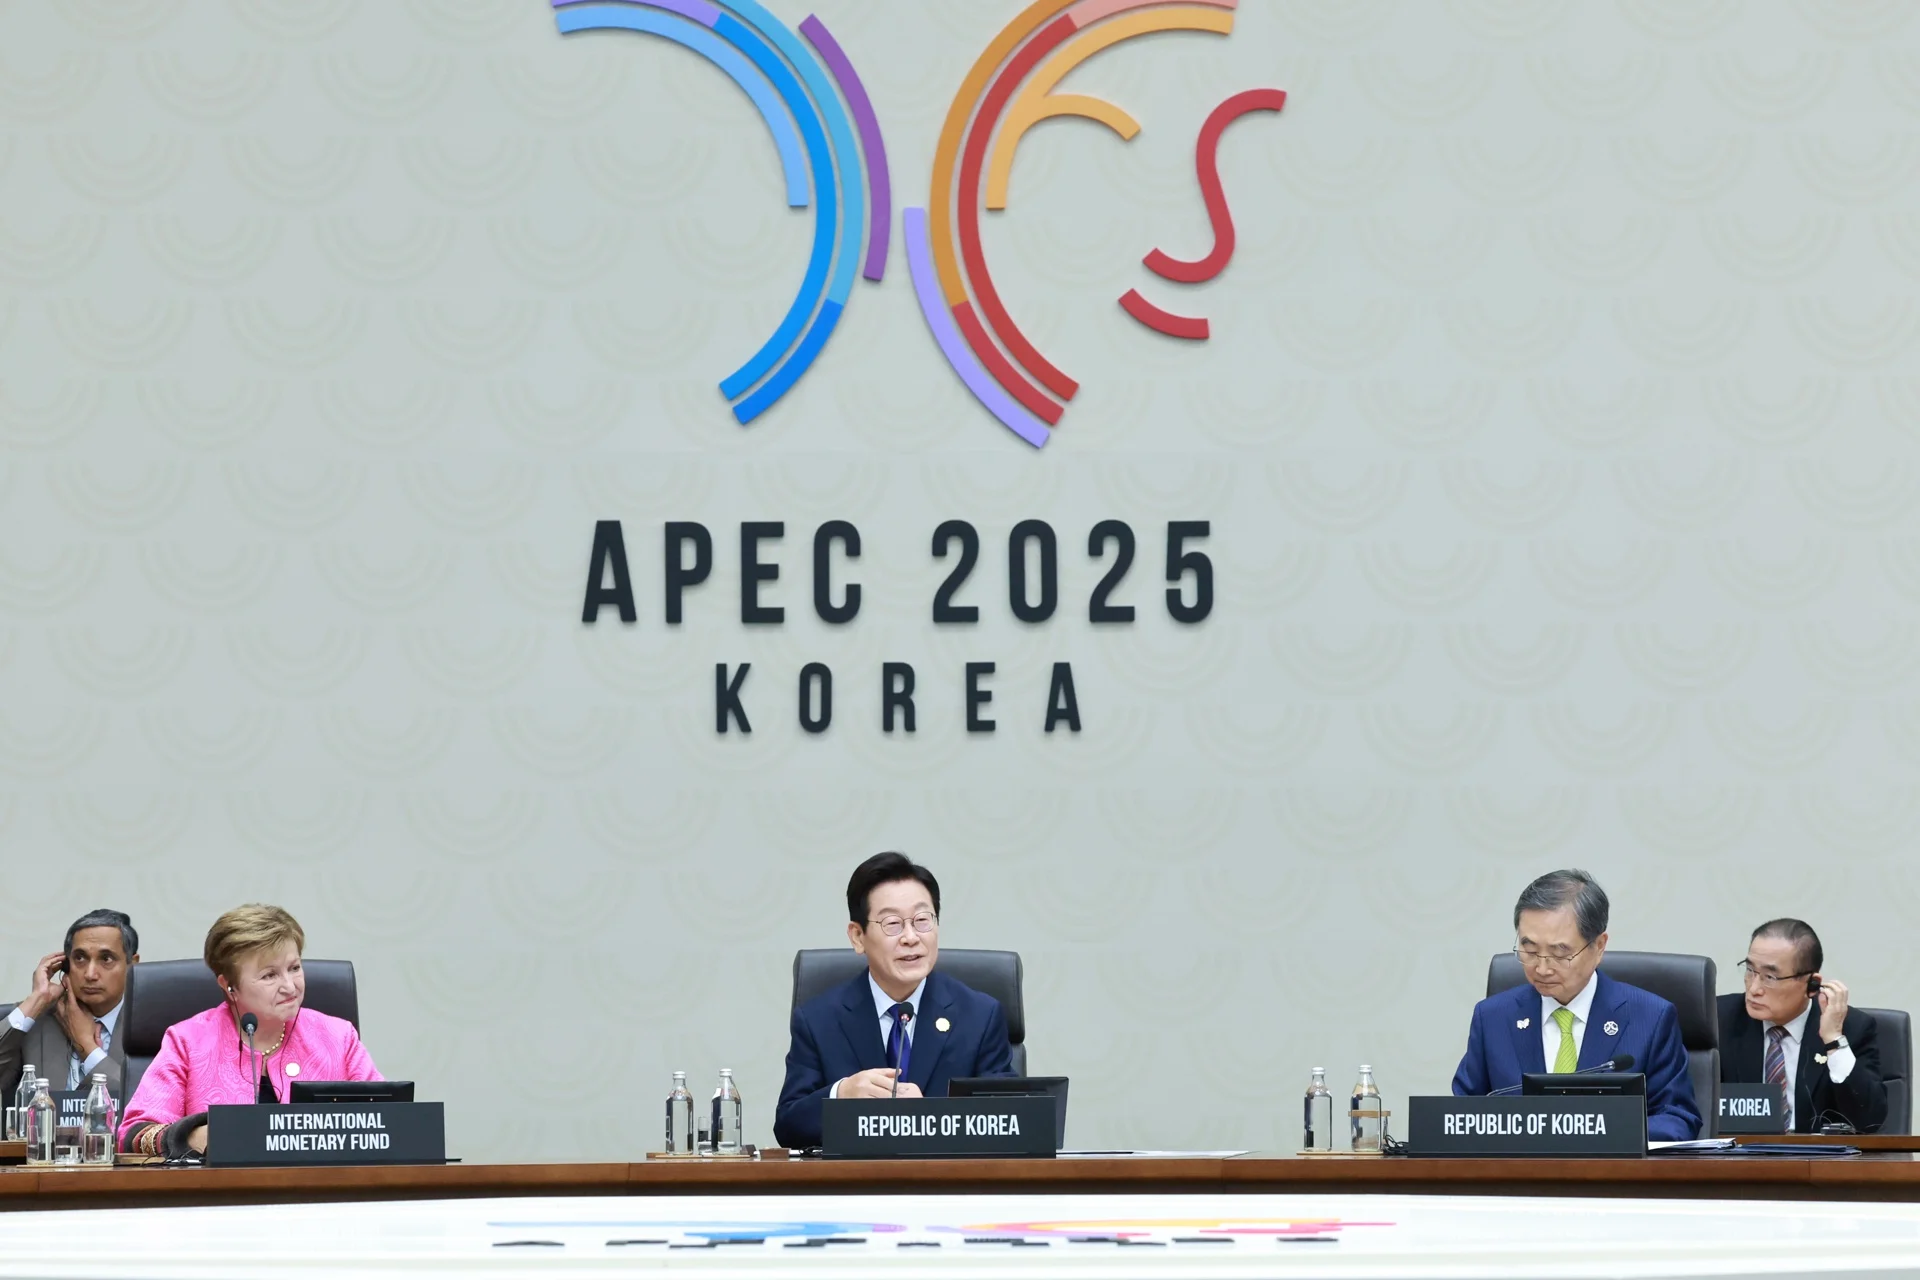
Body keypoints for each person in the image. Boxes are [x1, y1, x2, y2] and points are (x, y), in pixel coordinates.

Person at [773, 852, 1016, 1149]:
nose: (911, 937)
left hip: (945, 1178)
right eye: (893, 924)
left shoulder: (979, 1016)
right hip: (856, 1179)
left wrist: (929, 1117)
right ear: (858, 936)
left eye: (922, 920)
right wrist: (840, 1095)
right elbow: (788, 1126)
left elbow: (1008, 1121)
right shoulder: (818, 1020)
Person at [1452, 869, 1702, 1141]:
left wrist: (1597, 1132)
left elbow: (1678, 1119)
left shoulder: (1650, 1018)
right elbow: (1462, 1118)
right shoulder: (1492, 1018)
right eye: (1530, 950)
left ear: (1599, 946)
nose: (1542, 968)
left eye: (1560, 953)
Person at [119, 905, 380, 1157]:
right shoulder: (188, 1042)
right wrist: (193, 1136)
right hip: (220, 1187)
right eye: (269, 976)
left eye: (294, 968)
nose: (290, 987)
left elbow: (388, 1119)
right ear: (229, 985)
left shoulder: (338, 1037)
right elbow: (134, 1135)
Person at [1718, 918, 1887, 1134]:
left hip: (1817, 1155)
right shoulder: (1718, 1020)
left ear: (1811, 985)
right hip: (1740, 1153)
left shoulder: (1852, 1028)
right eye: (1750, 970)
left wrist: (1833, 1040)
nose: (1754, 989)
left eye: (1770, 977)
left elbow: (1870, 1122)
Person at [0, 910, 140, 1100]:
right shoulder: (37, 1018)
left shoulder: (151, 1026)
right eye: (80, 958)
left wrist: (86, 1046)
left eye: (106, 959)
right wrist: (36, 1000)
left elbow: (142, 1101)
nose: (90, 974)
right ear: (65, 966)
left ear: (132, 965)